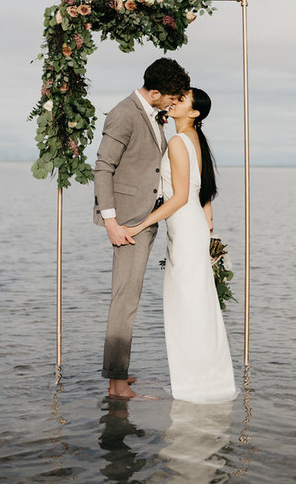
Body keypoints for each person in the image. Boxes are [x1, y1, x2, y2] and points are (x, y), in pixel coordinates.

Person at [123, 88, 237, 403]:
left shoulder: (177, 141)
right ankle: (204, 378)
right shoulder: (195, 140)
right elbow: (201, 190)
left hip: (186, 229)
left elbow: (181, 195)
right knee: (196, 306)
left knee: (186, 307)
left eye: (181, 100)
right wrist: (208, 214)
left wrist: (143, 222)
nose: (173, 102)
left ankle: (194, 384)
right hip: (191, 227)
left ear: (194, 113)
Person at [94, 57, 191, 399]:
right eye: (171, 97)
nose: (173, 103)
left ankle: (120, 374)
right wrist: (111, 222)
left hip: (144, 218)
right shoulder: (123, 113)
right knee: (125, 302)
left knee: (129, 299)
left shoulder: (151, 112)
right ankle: (117, 385)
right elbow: (103, 167)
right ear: (154, 93)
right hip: (128, 224)